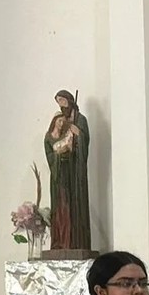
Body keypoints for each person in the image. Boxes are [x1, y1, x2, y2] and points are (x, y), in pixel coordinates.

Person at [44, 89, 90, 251]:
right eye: (59, 103)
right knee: (63, 204)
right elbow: (55, 146)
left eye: (63, 102)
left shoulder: (80, 120)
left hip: (75, 172)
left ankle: (76, 242)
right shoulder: (61, 126)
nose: (62, 106)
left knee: (75, 204)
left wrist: (79, 135)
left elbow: (84, 142)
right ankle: (62, 240)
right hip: (63, 172)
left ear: (70, 101)